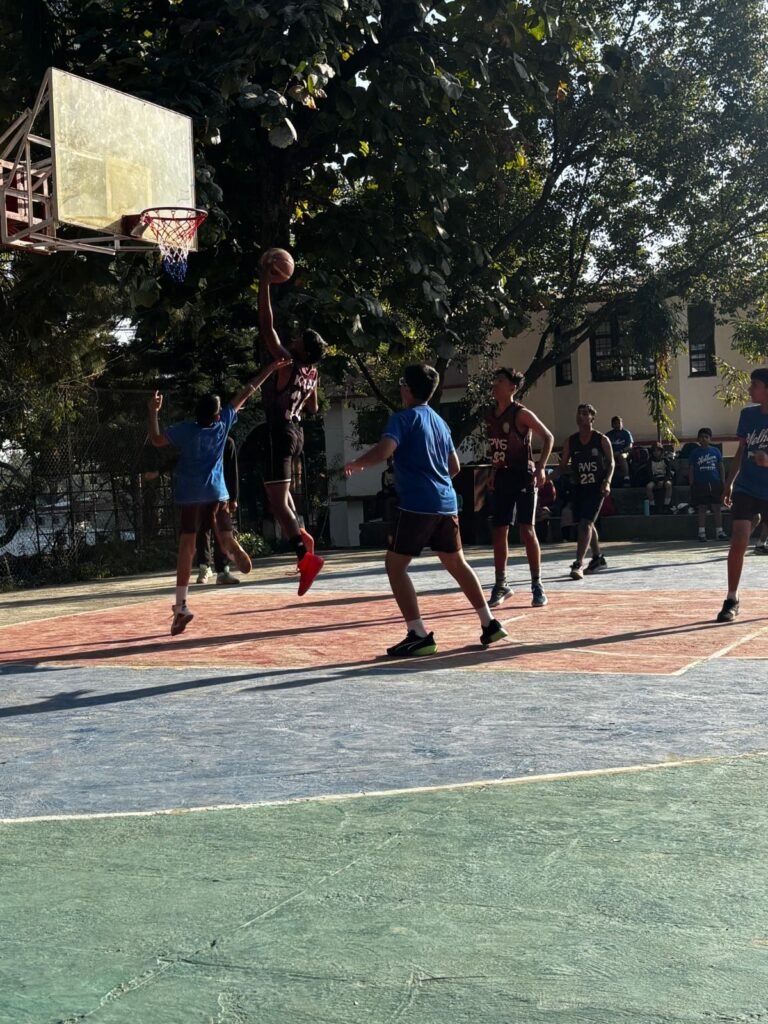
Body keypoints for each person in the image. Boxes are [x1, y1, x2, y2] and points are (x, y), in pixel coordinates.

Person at [344, 363, 508, 656]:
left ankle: (418, 633)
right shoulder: (440, 422)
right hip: (446, 503)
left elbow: (384, 450)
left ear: (407, 389)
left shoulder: (402, 419)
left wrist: (357, 464)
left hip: (416, 505)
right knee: (457, 564)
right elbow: (454, 467)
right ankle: (489, 622)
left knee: (395, 566)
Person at [147, 358, 289, 636]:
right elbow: (248, 389)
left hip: (190, 496)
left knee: (188, 547)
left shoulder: (186, 430)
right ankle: (229, 544)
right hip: (217, 493)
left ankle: (181, 605)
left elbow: (156, 439)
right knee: (222, 532)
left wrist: (152, 411)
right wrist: (270, 368)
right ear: (215, 416)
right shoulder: (221, 425)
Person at [256, 250, 327, 596]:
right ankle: (305, 538)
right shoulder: (312, 373)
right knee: (281, 495)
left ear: (302, 348)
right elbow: (313, 407)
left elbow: (266, 326)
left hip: (281, 430)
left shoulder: (287, 361)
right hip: (296, 431)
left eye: (299, 338)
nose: (293, 338)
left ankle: (304, 557)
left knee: (277, 500)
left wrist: (264, 283)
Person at [484, 368, 554, 609]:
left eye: (500, 381)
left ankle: (537, 584)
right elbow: (497, 449)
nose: (495, 384)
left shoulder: (521, 414)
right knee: (499, 530)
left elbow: (548, 437)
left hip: (523, 476)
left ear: (512, 388)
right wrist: (493, 471)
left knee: (527, 530)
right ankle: (501, 583)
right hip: (502, 476)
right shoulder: (490, 415)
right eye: (495, 380)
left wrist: (541, 467)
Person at [716, 367, 768, 622]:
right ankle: (732, 598)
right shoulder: (748, 415)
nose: (749, 389)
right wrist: (729, 483)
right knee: (738, 540)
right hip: (746, 487)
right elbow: (740, 451)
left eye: (755, 385)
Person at [559, 404, 614, 580]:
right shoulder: (570, 441)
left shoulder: (601, 439)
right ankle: (598, 558)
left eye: (584, 413)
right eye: (579, 413)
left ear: (592, 418)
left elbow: (612, 463)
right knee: (586, 523)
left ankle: (578, 564)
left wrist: (607, 482)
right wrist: (542, 476)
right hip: (579, 487)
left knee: (585, 524)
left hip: (596, 487)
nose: (580, 416)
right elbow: (562, 466)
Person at [196, 436, 241, 584]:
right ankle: (204, 567)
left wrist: (233, 497)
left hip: (222, 493)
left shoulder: (226, 442)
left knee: (222, 532)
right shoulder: (199, 439)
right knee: (202, 530)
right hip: (202, 492)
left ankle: (223, 570)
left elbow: (232, 471)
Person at [688, 427, 727, 542]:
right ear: (698, 439)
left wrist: (723, 481)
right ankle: (701, 532)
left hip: (715, 482)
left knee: (717, 507)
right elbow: (691, 468)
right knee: (702, 508)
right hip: (701, 484)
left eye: (706, 437)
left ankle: (719, 531)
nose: (704, 439)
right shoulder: (694, 453)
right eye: (701, 437)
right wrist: (692, 483)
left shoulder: (716, 451)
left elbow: (721, 467)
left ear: (710, 439)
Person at [646, 443, 674, 512]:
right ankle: (652, 505)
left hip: (664, 478)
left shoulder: (666, 460)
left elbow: (668, 473)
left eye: (658, 450)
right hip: (654, 479)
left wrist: (664, 481)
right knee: (649, 487)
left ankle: (666, 505)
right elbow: (649, 474)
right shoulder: (649, 461)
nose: (656, 452)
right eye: (654, 451)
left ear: (661, 451)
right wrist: (656, 482)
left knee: (669, 485)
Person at [606, 415, 633, 486]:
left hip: (624, 453)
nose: (617, 425)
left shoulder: (626, 433)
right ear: (612, 425)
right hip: (612, 453)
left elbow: (630, 446)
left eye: (619, 423)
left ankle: (626, 477)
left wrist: (620, 452)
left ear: (622, 423)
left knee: (621, 456)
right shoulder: (608, 435)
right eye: (615, 423)